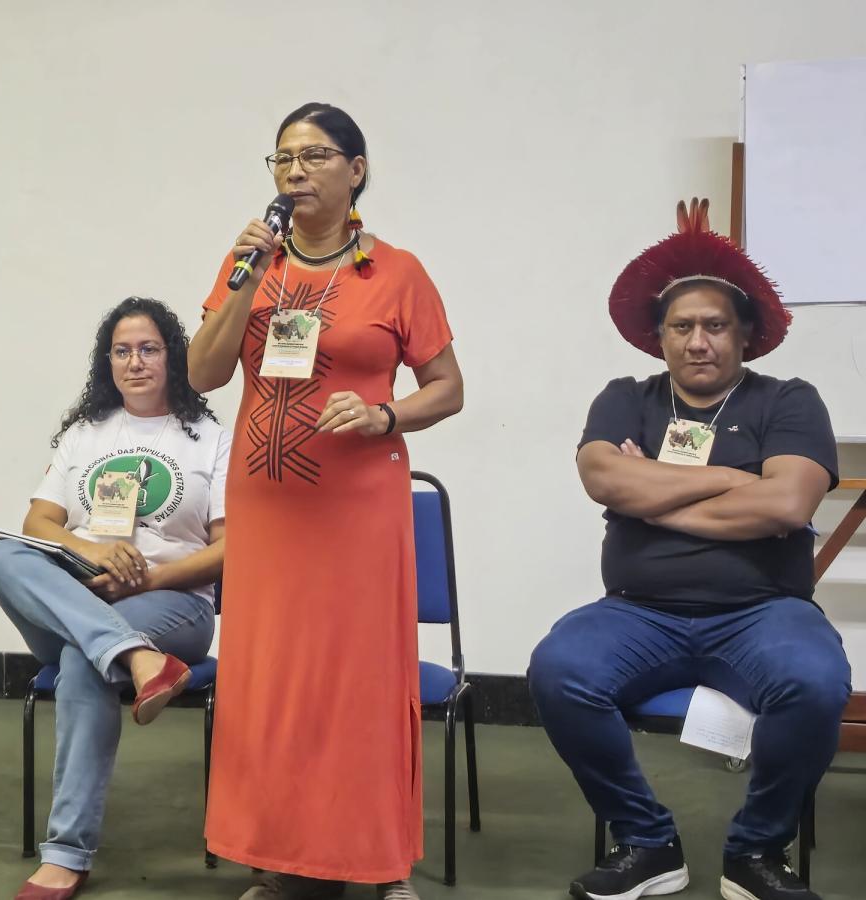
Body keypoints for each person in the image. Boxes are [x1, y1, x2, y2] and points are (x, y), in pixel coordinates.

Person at [527, 199, 852, 900]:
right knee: (558, 669)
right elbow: (602, 478)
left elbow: (788, 504)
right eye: (682, 327)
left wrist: (656, 493)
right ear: (660, 337)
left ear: (744, 336)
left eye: (714, 326)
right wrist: (733, 482)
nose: (697, 341)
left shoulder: (789, 401)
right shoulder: (625, 398)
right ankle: (646, 842)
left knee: (818, 683)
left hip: (764, 611)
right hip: (638, 612)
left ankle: (757, 851)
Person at [188, 102, 464, 900]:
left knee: (356, 686)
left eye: (314, 156)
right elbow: (205, 374)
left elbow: (448, 389)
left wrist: (386, 414)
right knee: (270, 684)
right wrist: (246, 277)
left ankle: (378, 861)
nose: (296, 172)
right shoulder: (251, 264)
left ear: (357, 170)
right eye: (281, 159)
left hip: (357, 510)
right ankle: (279, 862)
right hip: (269, 514)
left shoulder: (398, 273)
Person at [0, 297, 228, 900]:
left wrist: (147, 579)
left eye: (148, 348)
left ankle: (65, 855)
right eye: (122, 351)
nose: (135, 362)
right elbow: (39, 521)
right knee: (1, 556)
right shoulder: (83, 435)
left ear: (172, 357)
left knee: (83, 660)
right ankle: (135, 658)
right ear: (107, 361)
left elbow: (234, 548)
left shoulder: (211, 440)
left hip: (173, 605)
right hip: (80, 592)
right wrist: (90, 553)